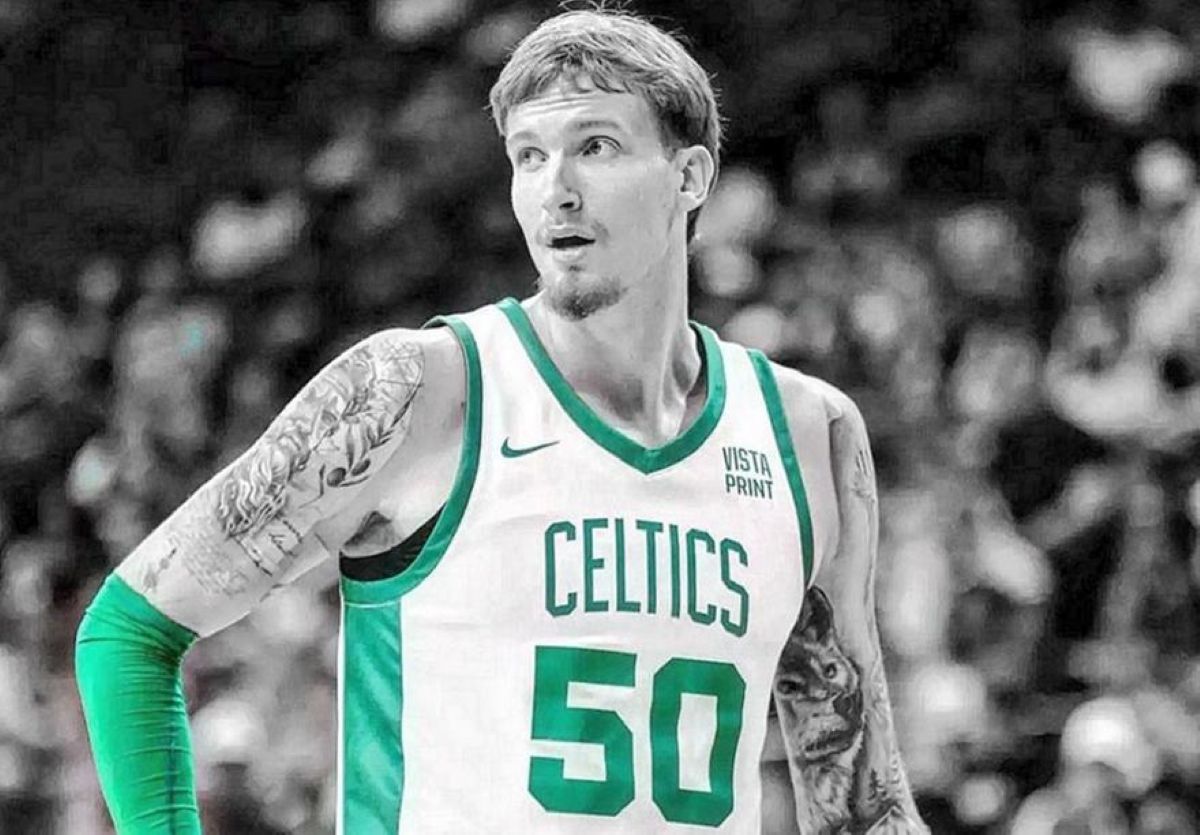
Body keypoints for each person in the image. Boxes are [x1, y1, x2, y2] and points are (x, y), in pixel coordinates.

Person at [75, 8, 929, 833]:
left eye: (596, 146)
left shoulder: (808, 435)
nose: (557, 190)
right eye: (529, 156)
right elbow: (129, 631)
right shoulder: (418, 390)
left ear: (690, 176)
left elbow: (863, 809)